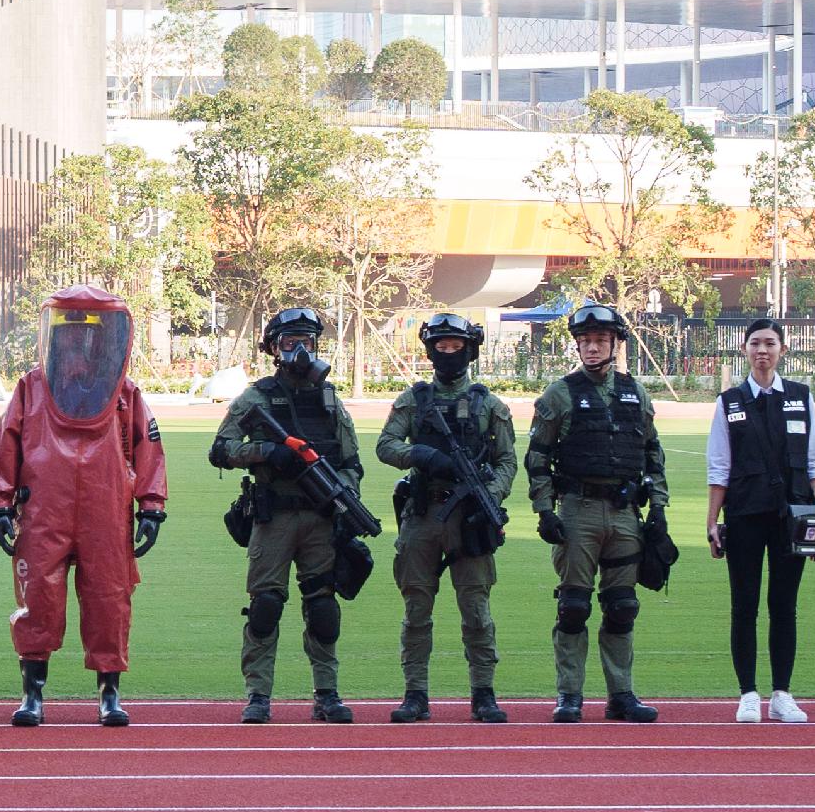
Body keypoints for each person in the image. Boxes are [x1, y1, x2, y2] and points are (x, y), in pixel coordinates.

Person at [0, 285, 167, 727]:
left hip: (106, 510)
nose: (79, 345)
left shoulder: (125, 393)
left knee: (110, 599)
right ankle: (33, 695)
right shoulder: (32, 388)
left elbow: (148, 448)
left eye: (90, 335)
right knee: (38, 601)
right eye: (70, 334)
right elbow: (5, 444)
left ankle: (109, 694)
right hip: (45, 508)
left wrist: (152, 505)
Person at [213, 306, 367, 724]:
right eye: (290, 342)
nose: (300, 350)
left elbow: (352, 462)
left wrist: (344, 499)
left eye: (308, 342)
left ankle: (327, 694)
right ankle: (258, 695)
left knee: (323, 608)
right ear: (273, 349)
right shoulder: (256, 398)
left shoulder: (331, 399)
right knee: (265, 606)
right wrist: (268, 452)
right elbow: (221, 449)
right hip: (274, 517)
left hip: (321, 519)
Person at [525, 302, 663, 723]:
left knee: (622, 606)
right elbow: (538, 458)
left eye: (600, 340)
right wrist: (546, 511)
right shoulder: (559, 393)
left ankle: (621, 694)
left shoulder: (635, 392)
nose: (591, 348)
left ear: (615, 343)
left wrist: (659, 510)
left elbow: (652, 452)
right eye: (585, 341)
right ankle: (569, 695)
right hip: (578, 512)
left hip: (624, 513)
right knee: (574, 606)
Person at [378, 311, 517, 724]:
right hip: (423, 514)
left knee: (476, 610)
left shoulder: (489, 405)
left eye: (456, 347)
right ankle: (415, 694)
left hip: (471, 518)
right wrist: (419, 454)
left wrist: (488, 495)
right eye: (442, 346)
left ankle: (483, 693)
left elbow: (507, 460)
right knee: (417, 609)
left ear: (469, 351)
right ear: (431, 350)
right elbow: (386, 445)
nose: (449, 353)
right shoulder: (412, 401)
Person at [706, 317, 815, 723]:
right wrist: (712, 521)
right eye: (755, 343)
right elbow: (718, 467)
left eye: (770, 343)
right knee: (744, 606)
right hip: (743, 514)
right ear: (744, 349)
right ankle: (747, 694)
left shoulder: (800, 397)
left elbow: (814, 463)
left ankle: (781, 693)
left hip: (790, 516)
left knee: (784, 607)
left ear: (782, 350)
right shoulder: (730, 402)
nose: (763, 350)